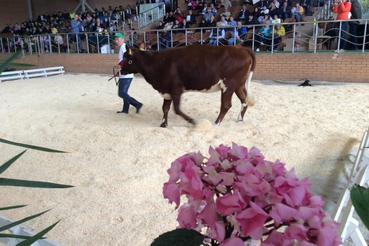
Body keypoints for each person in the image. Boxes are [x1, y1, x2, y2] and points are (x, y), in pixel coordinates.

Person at [114, 33, 143, 114]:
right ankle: (125, 109)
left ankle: (137, 104)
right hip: (125, 73)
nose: (116, 41)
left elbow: (129, 57)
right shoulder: (123, 47)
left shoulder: (123, 47)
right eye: (115, 39)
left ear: (123, 39)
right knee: (124, 93)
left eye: (118, 39)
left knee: (121, 93)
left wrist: (119, 64)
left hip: (127, 75)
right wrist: (119, 72)